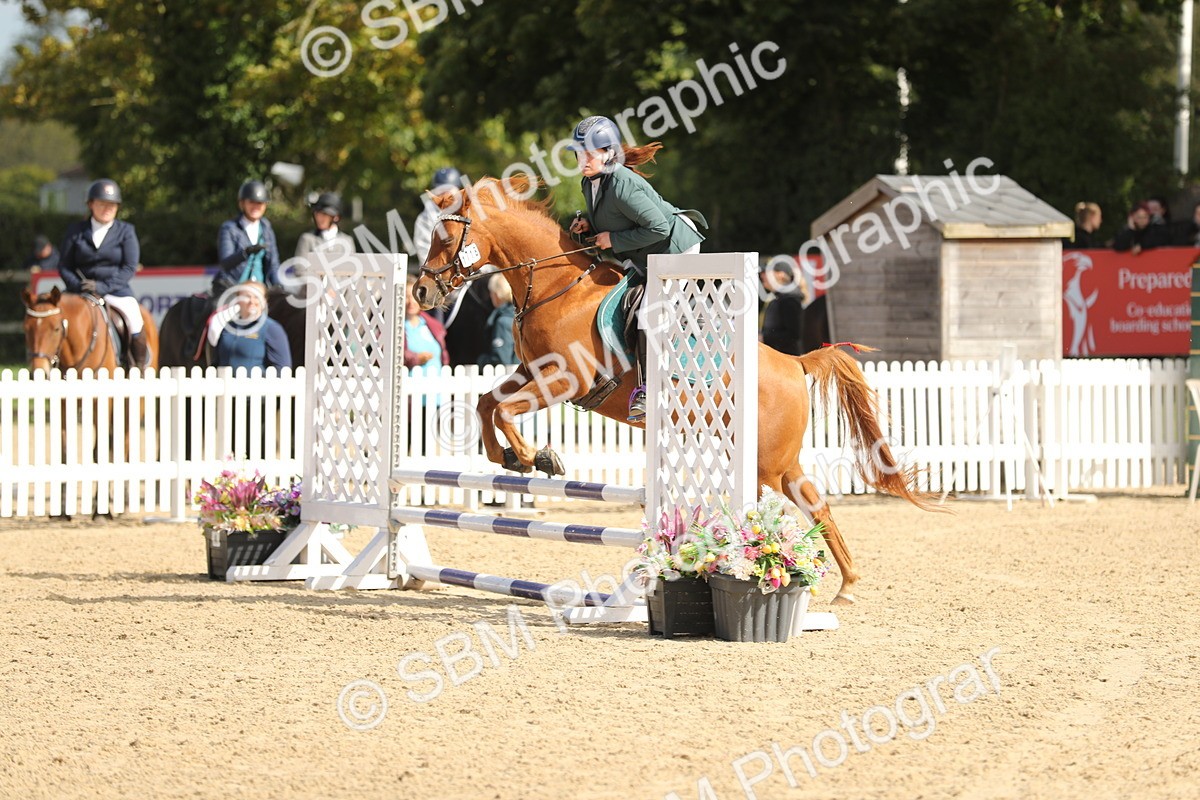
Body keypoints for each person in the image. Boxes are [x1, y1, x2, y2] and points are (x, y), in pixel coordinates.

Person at [566, 115, 707, 422]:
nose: (583, 160)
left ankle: (647, 390)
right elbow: (618, 218)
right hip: (646, 253)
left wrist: (613, 238)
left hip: (675, 249)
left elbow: (658, 228)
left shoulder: (621, 184)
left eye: (590, 153)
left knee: (650, 312)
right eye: (579, 153)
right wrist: (590, 225)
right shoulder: (591, 182)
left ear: (608, 153)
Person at [57, 178, 149, 368]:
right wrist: (78, 285)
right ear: (91, 205)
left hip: (115, 290)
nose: (107, 208)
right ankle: (55, 364)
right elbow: (64, 265)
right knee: (56, 319)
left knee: (134, 318)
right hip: (79, 291)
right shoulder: (75, 231)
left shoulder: (126, 231)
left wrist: (102, 287)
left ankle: (138, 367)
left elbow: (129, 267)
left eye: (112, 205)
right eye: (102, 204)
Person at [214, 180, 280, 294]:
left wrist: (278, 286)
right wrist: (245, 253)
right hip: (233, 287)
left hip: (260, 288)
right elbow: (225, 263)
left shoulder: (267, 229)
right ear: (242, 203)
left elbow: (273, 264)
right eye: (251, 202)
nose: (256, 206)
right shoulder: (229, 228)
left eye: (259, 203)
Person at [208, 281, 291, 370]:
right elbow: (216, 362)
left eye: (257, 297)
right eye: (247, 296)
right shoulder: (229, 328)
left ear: (264, 301)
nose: (252, 301)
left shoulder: (272, 328)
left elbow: (282, 369)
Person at [414, 167, 463, 267]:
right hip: (439, 274)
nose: (445, 194)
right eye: (441, 190)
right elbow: (425, 252)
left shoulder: (467, 212)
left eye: (449, 190)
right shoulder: (425, 219)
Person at [404, 277, 449, 373]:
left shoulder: (432, 326)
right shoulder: (395, 328)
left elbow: (443, 356)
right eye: (406, 297)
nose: (411, 302)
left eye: (414, 297)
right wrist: (416, 359)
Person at [760, 261, 806, 356]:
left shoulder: (790, 300)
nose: (762, 275)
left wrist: (764, 338)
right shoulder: (780, 298)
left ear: (781, 275)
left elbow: (793, 335)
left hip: (786, 362)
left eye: (767, 272)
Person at [294, 191, 355, 259]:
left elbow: (352, 267)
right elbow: (300, 267)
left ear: (336, 217)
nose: (319, 218)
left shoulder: (347, 241)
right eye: (317, 214)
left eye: (324, 214)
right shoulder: (307, 239)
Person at [476, 273, 516, 367]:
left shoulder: (503, 322)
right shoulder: (517, 316)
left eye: (491, 292)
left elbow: (501, 360)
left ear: (497, 294)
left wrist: (481, 360)